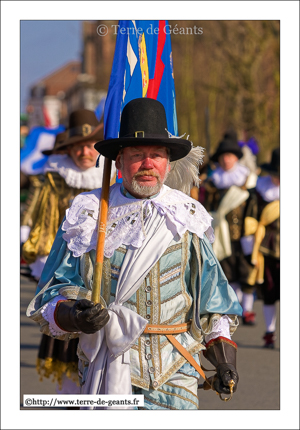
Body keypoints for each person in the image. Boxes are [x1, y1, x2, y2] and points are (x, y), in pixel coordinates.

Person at [27, 98, 242, 410]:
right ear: (119, 162)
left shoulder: (187, 216)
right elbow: (51, 295)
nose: (147, 164)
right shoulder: (88, 214)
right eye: (137, 155)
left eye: (156, 155)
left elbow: (214, 301)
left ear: (168, 162)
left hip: (176, 374)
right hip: (107, 365)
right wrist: (76, 315)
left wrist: (225, 362)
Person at [22, 108, 116, 394]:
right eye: (78, 147)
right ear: (69, 150)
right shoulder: (53, 178)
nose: (85, 152)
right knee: (66, 326)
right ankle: (69, 399)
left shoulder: (112, 179)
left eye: (90, 146)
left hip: (102, 264)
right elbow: (31, 214)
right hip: (61, 263)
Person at [200, 131, 258, 325]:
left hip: (243, 234)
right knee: (227, 270)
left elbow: (253, 206)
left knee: (246, 270)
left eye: (230, 156)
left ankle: (248, 308)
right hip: (221, 233)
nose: (227, 160)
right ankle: (236, 306)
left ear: (236, 158)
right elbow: (208, 208)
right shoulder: (213, 183)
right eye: (224, 157)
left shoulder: (246, 181)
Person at [248, 148, 280, 348]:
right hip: (267, 248)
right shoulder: (261, 191)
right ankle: (270, 331)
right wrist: (249, 245)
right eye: (276, 174)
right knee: (269, 290)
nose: (277, 179)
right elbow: (251, 218)